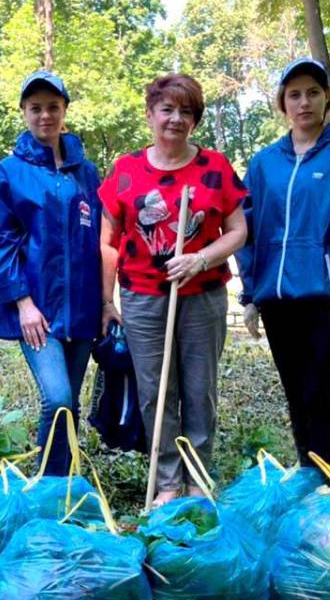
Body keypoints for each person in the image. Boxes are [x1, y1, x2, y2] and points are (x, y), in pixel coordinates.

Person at [98, 74, 247, 506]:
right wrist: (107, 302)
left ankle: (197, 476)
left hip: (202, 295)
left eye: (186, 111)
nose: (176, 119)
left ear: (195, 120)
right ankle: (166, 480)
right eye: (167, 109)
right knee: (155, 390)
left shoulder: (215, 168)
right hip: (144, 297)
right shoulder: (126, 171)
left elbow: (238, 231)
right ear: (150, 114)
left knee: (199, 388)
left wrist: (201, 258)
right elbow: (107, 242)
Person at [237, 57, 330, 469]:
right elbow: (249, 229)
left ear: (327, 99)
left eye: (313, 93)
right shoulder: (264, 163)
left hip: (327, 299)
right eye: (295, 94)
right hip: (277, 301)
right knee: (294, 391)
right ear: (282, 103)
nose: (304, 102)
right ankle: (310, 473)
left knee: (317, 389)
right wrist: (250, 294)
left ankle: (328, 481)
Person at [0, 71, 102, 476]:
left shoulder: (87, 173)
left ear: (65, 110)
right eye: (36, 108)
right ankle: (48, 487)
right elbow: (0, 239)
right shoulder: (9, 173)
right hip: (37, 311)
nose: (45, 115)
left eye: (53, 106)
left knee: (73, 403)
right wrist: (24, 303)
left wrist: (105, 302)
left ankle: (68, 481)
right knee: (58, 398)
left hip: (82, 308)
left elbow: (102, 238)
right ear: (23, 112)